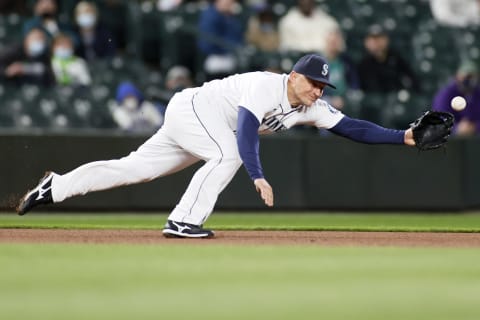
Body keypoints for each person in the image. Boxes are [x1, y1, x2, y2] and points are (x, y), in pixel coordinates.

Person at [16, 54, 417, 238]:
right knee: (227, 153)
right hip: (195, 109)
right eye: (312, 82)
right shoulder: (267, 85)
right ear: (293, 76)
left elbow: (353, 128)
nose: (318, 90)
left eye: (323, 86)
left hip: (202, 125)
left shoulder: (311, 107)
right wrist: (257, 175)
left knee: (134, 168)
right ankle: (183, 221)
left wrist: (404, 137)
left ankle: (56, 186)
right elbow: (244, 131)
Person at [357, 24, 420, 93]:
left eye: (379, 38)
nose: (377, 43)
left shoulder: (396, 59)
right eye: (373, 39)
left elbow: (412, 81)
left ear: (386, 40)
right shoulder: (363, 64)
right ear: (366, 42)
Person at [197, 0, 244, 80]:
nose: (230, 3)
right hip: (213, 59)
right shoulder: (210, 15)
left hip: (232, 59)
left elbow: (238, 39)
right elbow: (206, 44)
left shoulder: (232, 17)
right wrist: (226, 50)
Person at [432, 60, 480, 136]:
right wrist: (456, 128)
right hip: (451, 139)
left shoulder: (477, 93)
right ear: (457, 76)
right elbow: (440, 118)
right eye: (465, 76)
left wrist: (474, 127)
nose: (467, 79)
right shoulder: (446, 94)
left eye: (471, 76)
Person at [322, 29, 360, 110]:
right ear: (326, 42)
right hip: (324, 98)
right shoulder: (317, 62)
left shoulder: (346, 60)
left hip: (345, 98)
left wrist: (348, 96)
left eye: (336, 42)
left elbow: (354, 82)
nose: (333, 45)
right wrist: (331, 99)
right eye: (331, 42)